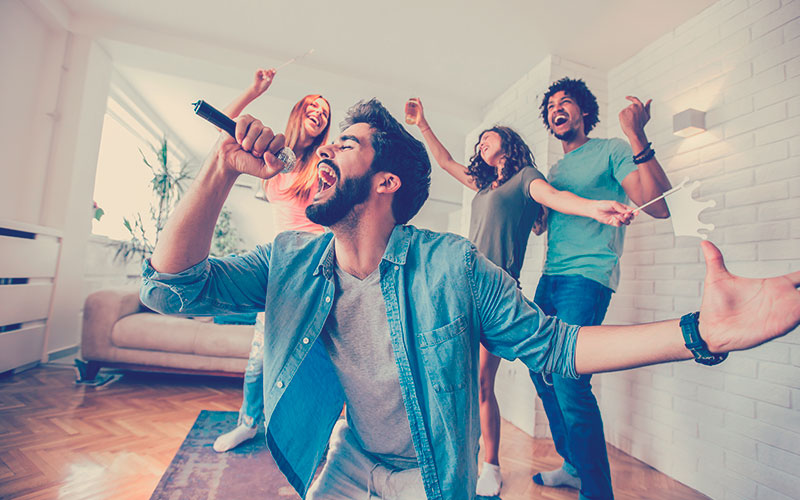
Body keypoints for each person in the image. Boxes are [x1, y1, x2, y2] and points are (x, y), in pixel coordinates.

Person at [140, 98, 799, 500]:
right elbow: (172, 288)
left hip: (431, 476)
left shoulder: (453, 263)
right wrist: (221, 167)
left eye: (346, 144)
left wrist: (701, 333)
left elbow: (557, 345)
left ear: (385, 181)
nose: (325, 154)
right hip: (346, 458)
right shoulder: (291, 258)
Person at [406, 98, 632, 496]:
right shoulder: (482, 184)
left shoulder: (526, 177)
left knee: (480, 379)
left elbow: (556, 199)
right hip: (460, 286)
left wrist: (595, 209)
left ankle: (490, 466)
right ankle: (457, 462)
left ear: (507, 145)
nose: (480, 146)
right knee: (449, 377)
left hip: (496, 293)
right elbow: (444, 161)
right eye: (478, 144)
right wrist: (422, 124)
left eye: (487, 139)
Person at [529, 77, 672, 499]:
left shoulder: (611, 148)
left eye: (566, 102)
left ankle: (597, 491)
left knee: (570, 379)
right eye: (552, 104)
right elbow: (550, 223)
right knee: (540, 368)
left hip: (587, 279)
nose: (558, 108)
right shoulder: (555, 170)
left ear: (583, 112)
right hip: (550, 276)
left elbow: (657, 205)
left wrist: (636, 134)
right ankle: (573, 464)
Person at [212, 68, 332, 453]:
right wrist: (254, 89)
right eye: (314, 106)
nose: (320, 112)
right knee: (261, 355)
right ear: (299, 111)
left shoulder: (322, 161)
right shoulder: (277, 155)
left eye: (326, 112)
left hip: (318, 265)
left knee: (319, 357)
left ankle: (323, 439)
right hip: (280, 264)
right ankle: (249, 422)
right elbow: (223, 133)